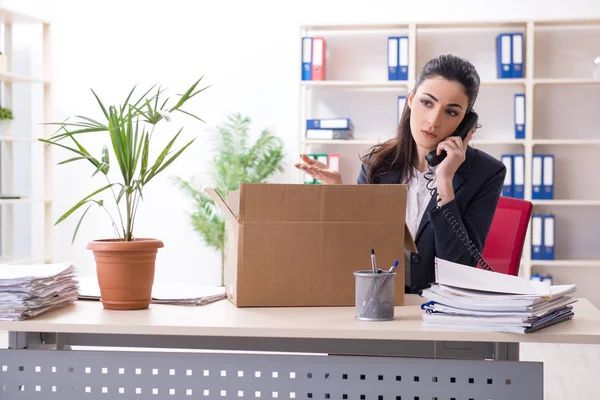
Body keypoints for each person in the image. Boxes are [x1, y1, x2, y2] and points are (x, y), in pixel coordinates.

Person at [295, 54, 506, 294]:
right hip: (382, 302)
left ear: (465, 123)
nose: (433, 120)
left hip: (442, 310)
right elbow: (358, 251)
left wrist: (444, 181)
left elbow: (460, 269)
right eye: (427, 103)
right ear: (411, 100)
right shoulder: (378, 163)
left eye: (451, 112)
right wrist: (341, 194)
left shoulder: (486, 173)